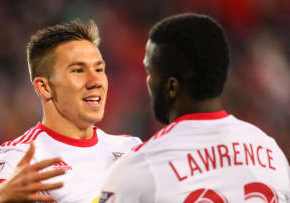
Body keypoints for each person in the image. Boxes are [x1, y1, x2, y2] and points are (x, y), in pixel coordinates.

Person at [100, 13, 290, 202]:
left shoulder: (139, 166)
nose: (148, 82)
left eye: (150, 72)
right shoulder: (271, 152)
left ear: (171, 86)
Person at [0, 19, 141, 203]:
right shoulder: (27, 155)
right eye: (78, 70)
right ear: (45, 87)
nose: (96, 81)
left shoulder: (130, 148)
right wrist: (1, 194)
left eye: (99, 69)